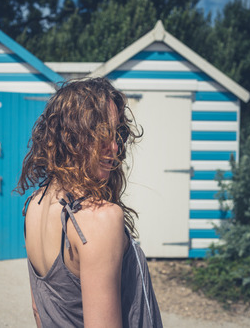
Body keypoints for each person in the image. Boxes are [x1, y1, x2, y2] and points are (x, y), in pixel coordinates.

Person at [16, 77, 162, 327]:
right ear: (72, 136)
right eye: (103, 133)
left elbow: (39, 312)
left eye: (117, 134)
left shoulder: (33, 206)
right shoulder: (100, 219)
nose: (115, 146)